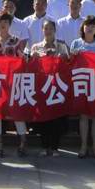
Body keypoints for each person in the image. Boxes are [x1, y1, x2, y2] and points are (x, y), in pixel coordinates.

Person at [0, 13, 27, 157]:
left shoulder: (16, 40)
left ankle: (23, 141)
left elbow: (22, 59)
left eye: (5, 22)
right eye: (0, 22)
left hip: (12, 81)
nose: (3, 24)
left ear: (9, 24)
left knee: (16, 111)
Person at [29, 19, 70, 157]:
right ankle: (44, 145)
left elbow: (68, 64)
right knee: (43, 117)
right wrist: (34, 58)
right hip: (42, 86)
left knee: (57, 117)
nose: (48, 31)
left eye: (51, 28)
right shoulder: (36, 47)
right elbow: (31, 67)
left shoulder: (62, 46)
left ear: (55, 30)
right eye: (45, 28)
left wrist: (64, 58)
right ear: (42, 30)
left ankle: (55, 147)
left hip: (57, 85)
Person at [69, 16, 95, 158]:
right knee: (83, 115)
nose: (90, 28)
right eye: (87, 25)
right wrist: (73, 56)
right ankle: (83, 146)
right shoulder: (76, 43)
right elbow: (70, 63)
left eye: (93, 26)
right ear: (83, 27)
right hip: (81, 82)